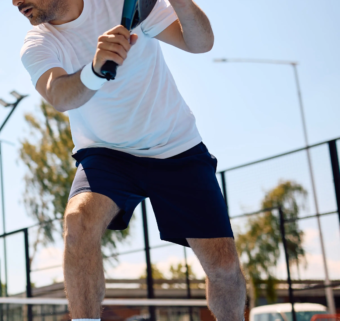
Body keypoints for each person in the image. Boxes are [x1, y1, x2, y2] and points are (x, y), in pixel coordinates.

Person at [14, 0, 246, 320]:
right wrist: (95, 71)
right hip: (106, 154)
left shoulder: (123, 4)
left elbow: (200, 43)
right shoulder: (39, 42)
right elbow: (59, 95)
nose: (14, 2)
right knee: (78, 222)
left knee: (224, 266)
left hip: (176, 147)